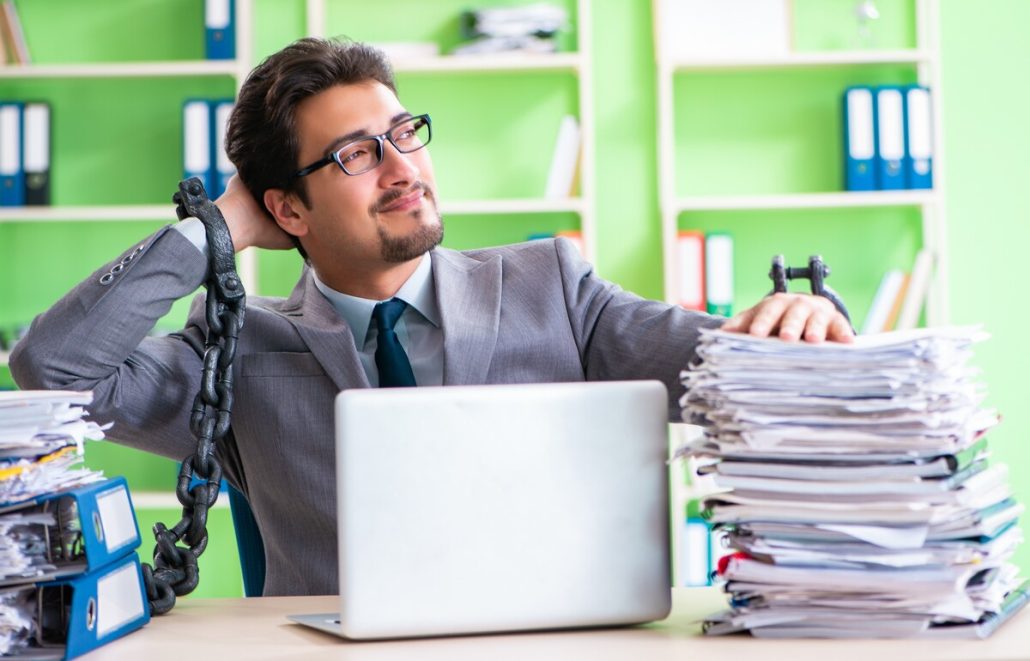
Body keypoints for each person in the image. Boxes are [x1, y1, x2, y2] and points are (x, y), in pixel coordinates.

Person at [10, 38, 852, 597]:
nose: (402, 166)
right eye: (356, 154)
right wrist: (217, 231)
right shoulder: (236, 348)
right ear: (288, 211)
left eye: (404, 132)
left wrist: (797, 327)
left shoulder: (550, 285)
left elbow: (728, 373)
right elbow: (54, 368)